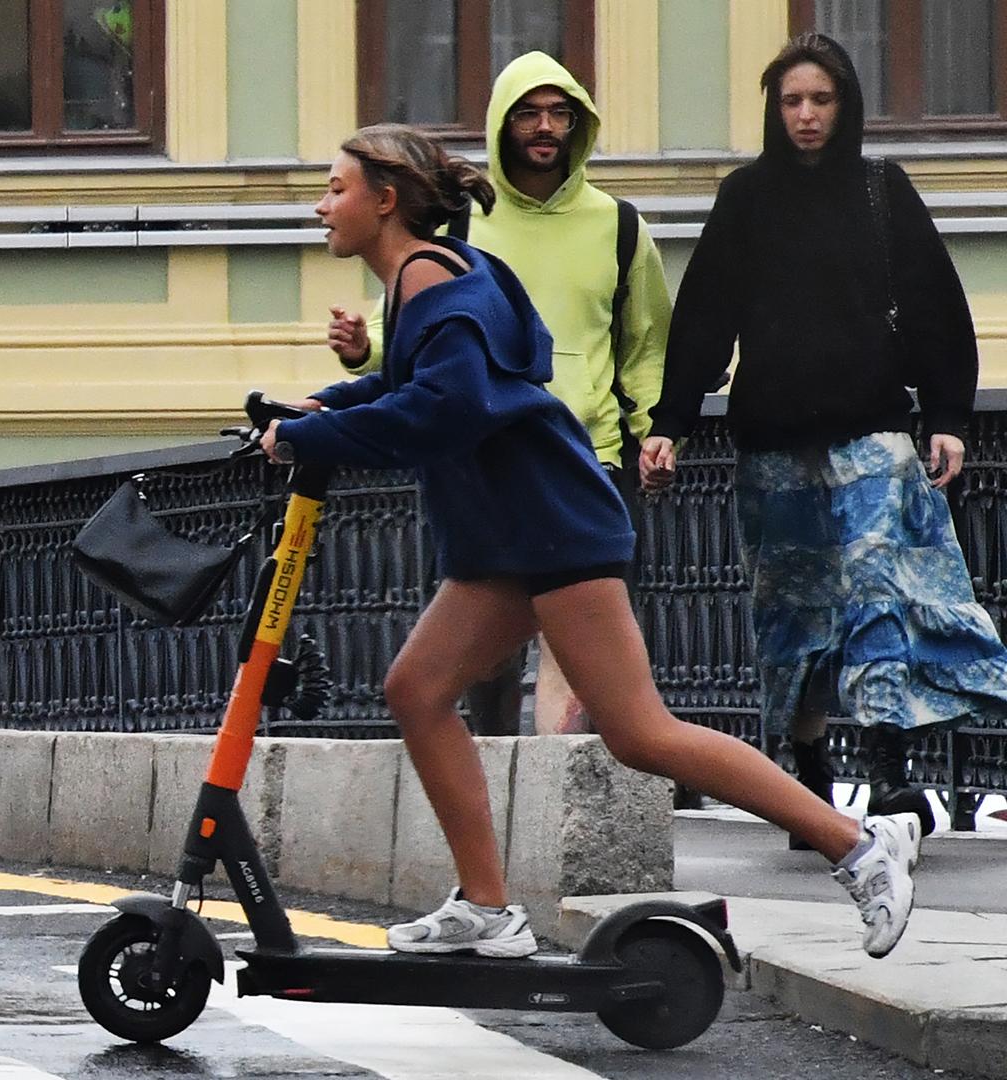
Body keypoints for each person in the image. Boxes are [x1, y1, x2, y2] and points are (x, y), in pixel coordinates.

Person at [263, 123, 921, 959]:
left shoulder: (431, 277)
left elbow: (449, 408)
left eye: (335, 189)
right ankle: (485, 907)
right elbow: (433, 382)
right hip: (509, 536)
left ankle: (861, 846)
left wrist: (314, 440)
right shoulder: (431, 276)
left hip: (551, 526)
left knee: (639, 732)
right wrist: (326, 405)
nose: (322, 207)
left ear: (385, 200)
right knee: (418, 690)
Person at [644, 32, 1007, 846]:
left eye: (822, 99)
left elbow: (937, 307)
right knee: (794, 620)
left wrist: (947, 416)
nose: (807, 116)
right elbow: (704, 316)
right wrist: (669, 421)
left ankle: (886, 778)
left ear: (846, 107)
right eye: (792, 101)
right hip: (775, 450)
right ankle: (806, 775)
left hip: (872, 437)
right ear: (776, 111)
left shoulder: (883, 190)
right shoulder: (746, 198)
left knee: (880, 601)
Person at [328, 52, 671, 736]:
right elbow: (418, 332)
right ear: (500, 124)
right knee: (480, 671)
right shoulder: (462, 232)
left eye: (560, 114)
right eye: (529, 113)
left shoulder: (621, 225)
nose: (546, 128)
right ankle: (503, 799)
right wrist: (364, 349)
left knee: (581, 679)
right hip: (484, 467)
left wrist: (660, 427)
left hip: (587, 461)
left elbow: (649, 341)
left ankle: (553, 810)